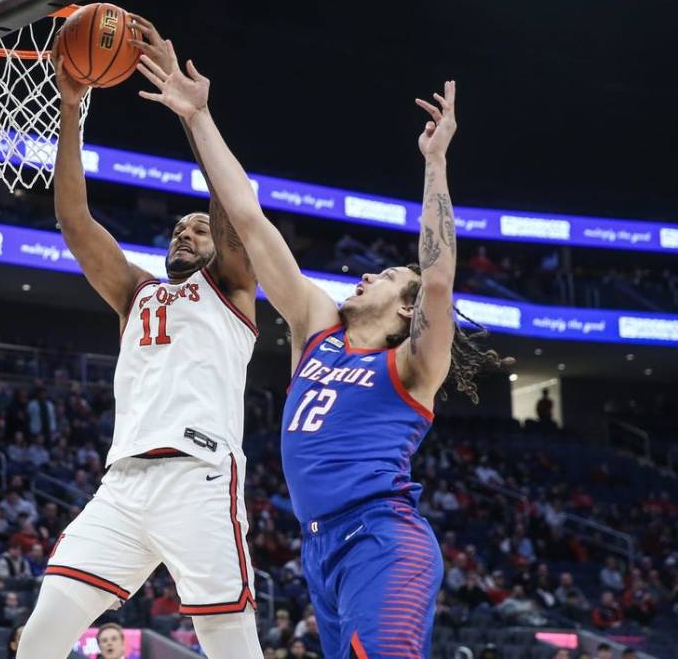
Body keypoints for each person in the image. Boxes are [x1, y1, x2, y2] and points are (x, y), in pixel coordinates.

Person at [139, 46, 507, 659]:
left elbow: (437, 278)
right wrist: (197, 117)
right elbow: (251, 223)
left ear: (407, 310)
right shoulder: (317, 330)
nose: (366, 277)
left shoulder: (413, 368)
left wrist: (435, 162)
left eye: (387, 276)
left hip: (383, 540)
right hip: (319, 551)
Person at [18, 15, 262, 659]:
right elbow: (74, 220)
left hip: (200, 476)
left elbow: (233, 209)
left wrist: (192, 115)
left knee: (231, 646)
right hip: (123, 486)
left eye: (198, 229)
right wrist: (71, 107)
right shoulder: (136, 291)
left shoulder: (233, 287)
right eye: (179, 228)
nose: (187, 232)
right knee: (38, 639)